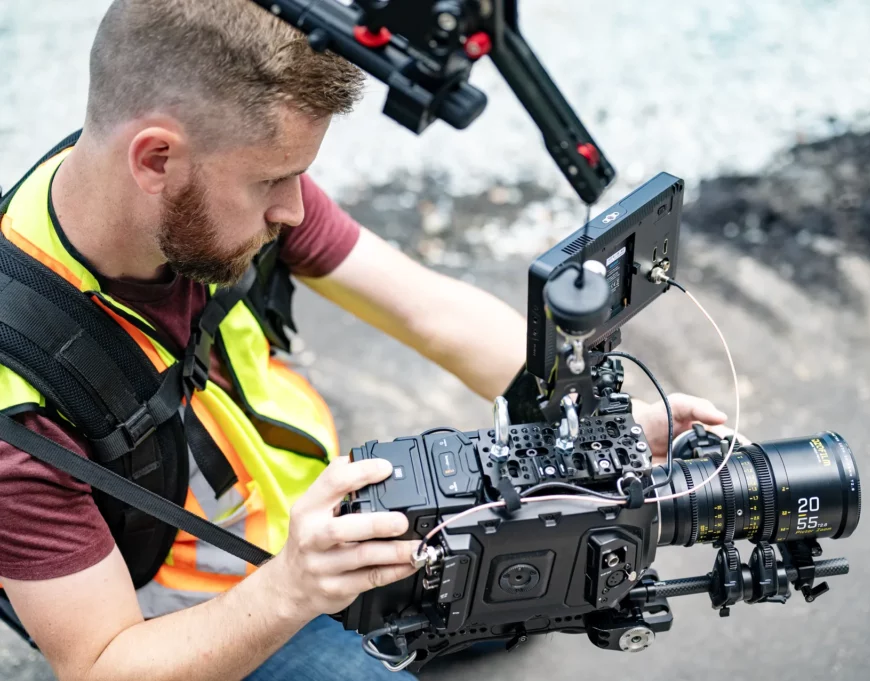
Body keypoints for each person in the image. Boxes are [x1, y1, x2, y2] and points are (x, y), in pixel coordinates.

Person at [0, 1, 730, 680]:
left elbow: (430, 311)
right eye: (272, 181)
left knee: (538, 577)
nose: (293, 208)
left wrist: (582, 427)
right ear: (155, 159)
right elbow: (102, 663)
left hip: (309, 514)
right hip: (191, 609)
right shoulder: (17, 408)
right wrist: (291, 588)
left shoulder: (194, 192)